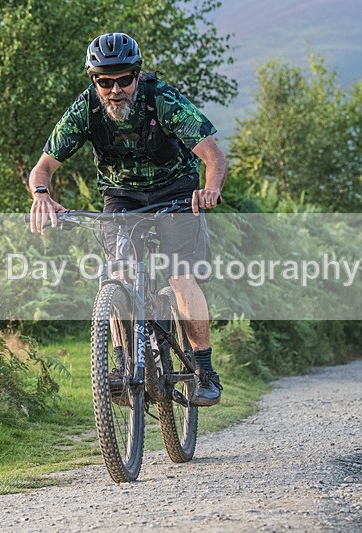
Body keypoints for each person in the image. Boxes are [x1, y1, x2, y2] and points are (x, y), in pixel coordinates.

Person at [28, 32, 227, 406]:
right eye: (105, 81)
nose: (115, 89)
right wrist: (42, 195)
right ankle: (122, 365)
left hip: (176, 191)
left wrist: (210, 189)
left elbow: (213, 157)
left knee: (180, 276)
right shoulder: (85, 110)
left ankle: (204, 370)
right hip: (121, 196)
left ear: (137, 75)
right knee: (118, 273)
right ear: (94, 81)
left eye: (123, 79)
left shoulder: (163, 101)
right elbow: (43, 167)